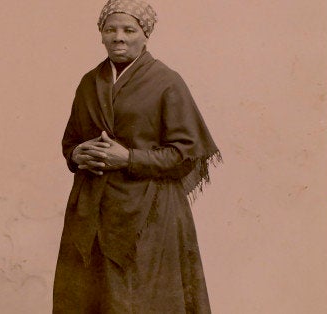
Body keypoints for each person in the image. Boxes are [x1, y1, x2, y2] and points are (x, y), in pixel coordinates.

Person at [53, 1, 220, 312]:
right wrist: (78, 155)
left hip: (150, 215)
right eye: (110, 30)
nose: (119, 37)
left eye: (129, 30)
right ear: (101, 35)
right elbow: (70, 142)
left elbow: (186, 154)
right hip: (91, 213)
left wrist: (128, 158)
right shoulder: (89, 82)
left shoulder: (166, 81)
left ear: (146, 35)